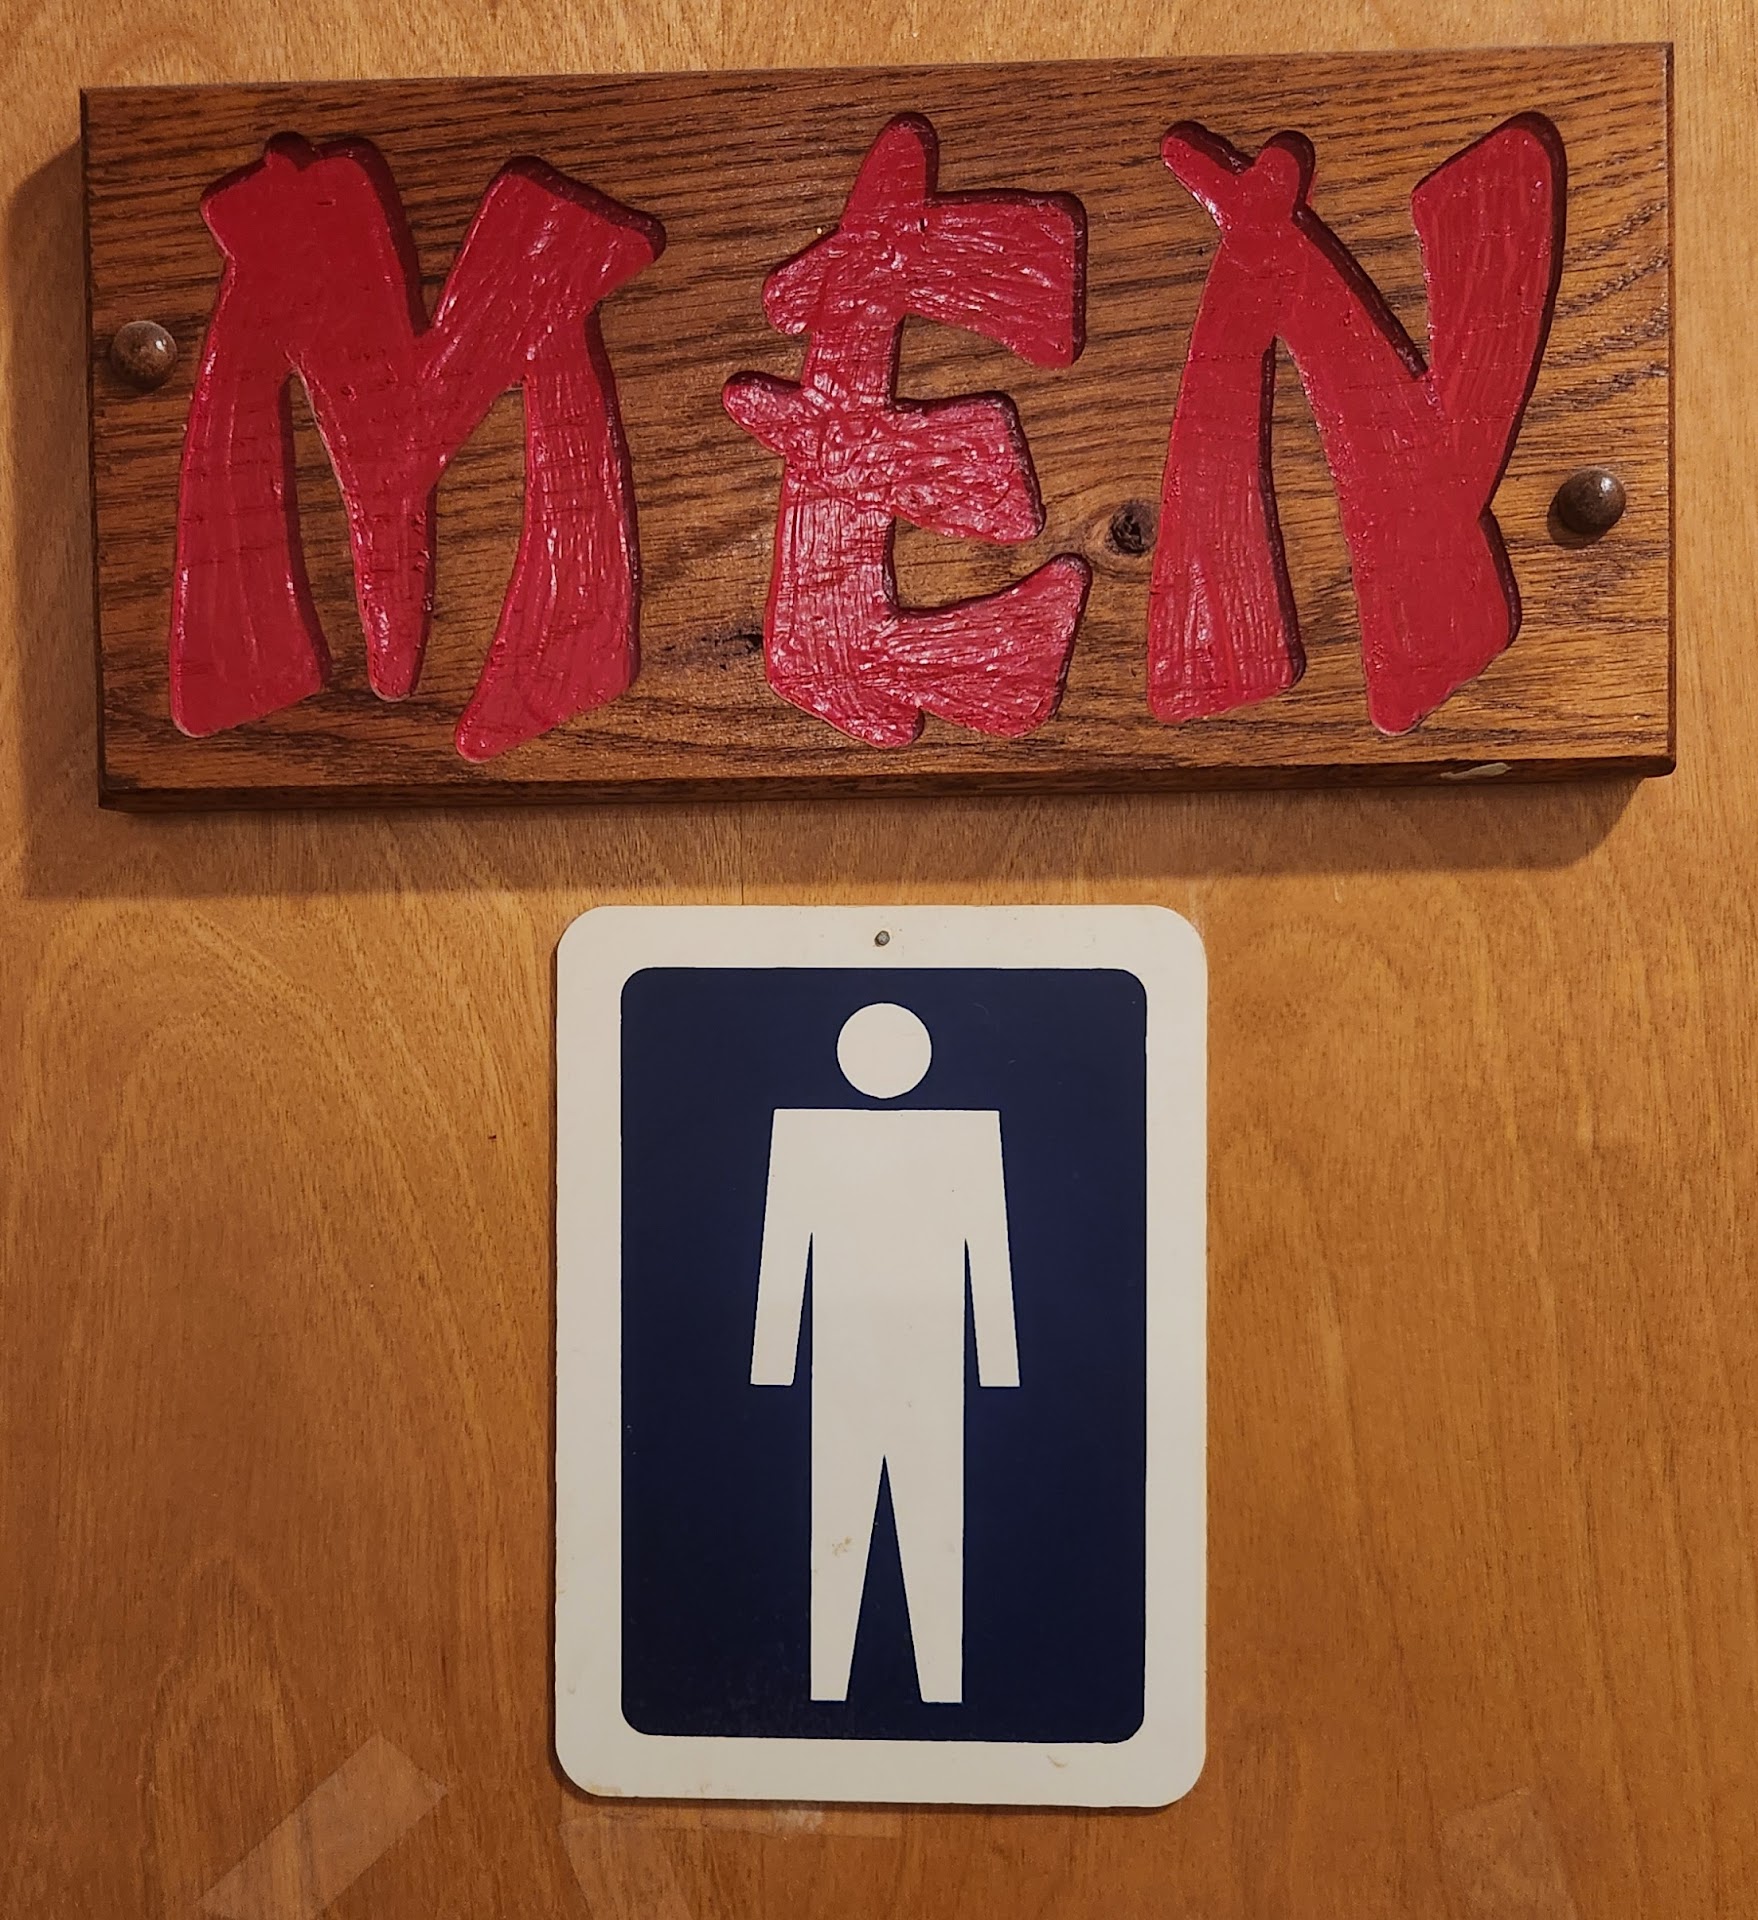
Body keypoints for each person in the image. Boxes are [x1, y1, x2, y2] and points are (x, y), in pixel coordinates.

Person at [751, 1002, 1019, 1704]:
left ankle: (943, 1691)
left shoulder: (966, 1139)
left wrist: (999, 1363)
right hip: (845, 1361)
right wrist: (772, 1363)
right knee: (839, 1521)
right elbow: (784, 1251)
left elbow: (990, 1255)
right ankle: (827, 1691)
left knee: (933, 1524)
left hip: (930, 1363)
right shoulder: (805, 1136)